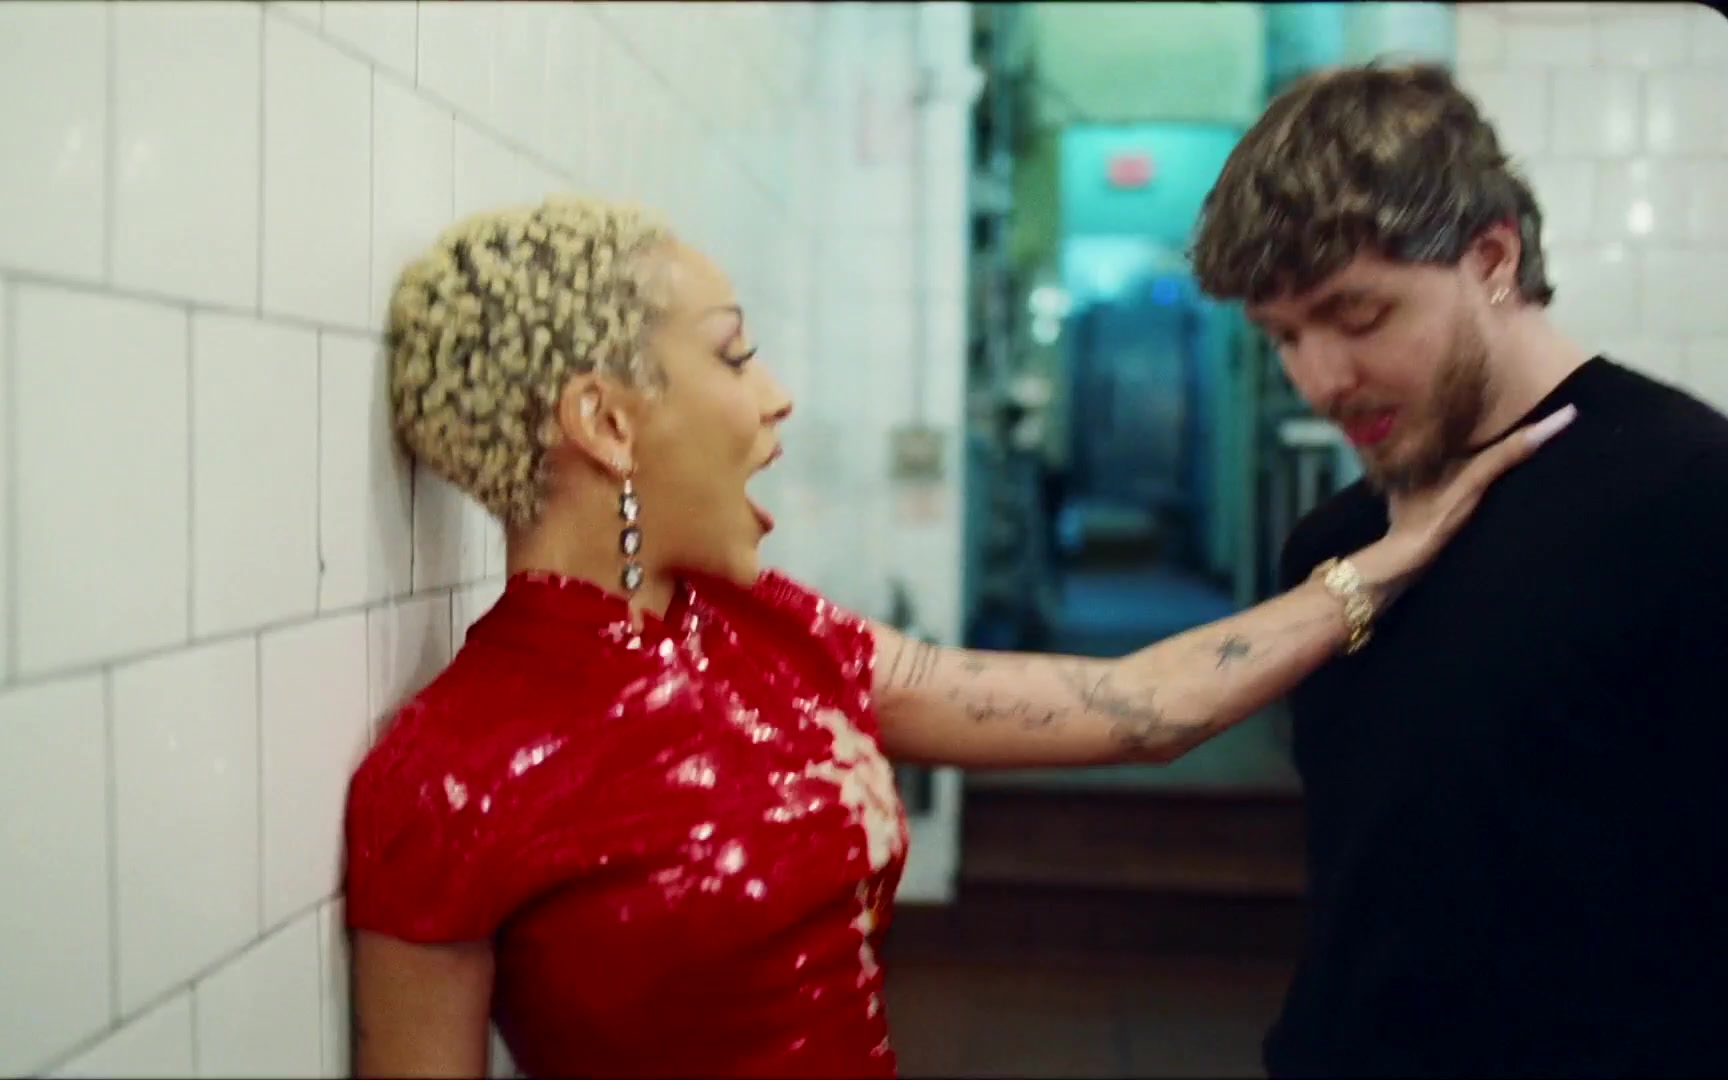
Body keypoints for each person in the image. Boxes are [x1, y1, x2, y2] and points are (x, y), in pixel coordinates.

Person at [344, 195, 1570, 1079]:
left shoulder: (768, 633)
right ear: (607, 423)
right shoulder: (450, 778)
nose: (774, 395)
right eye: (732, 356)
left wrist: (1381, 564)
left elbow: (1133, 707)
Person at [1190, 61, 1728, 1078]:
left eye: (1358, 316)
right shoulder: (1333, 545)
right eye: (1283, 337)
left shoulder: (1690, 498)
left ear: (1491, 259)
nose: (1321, 379)